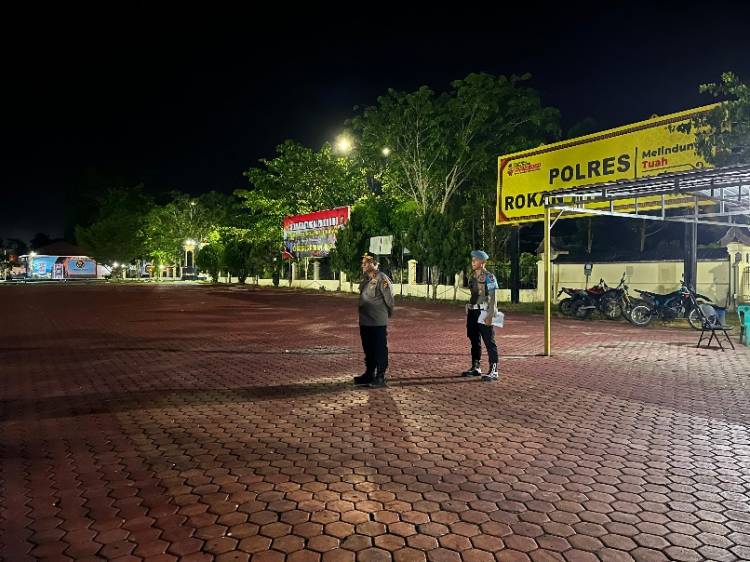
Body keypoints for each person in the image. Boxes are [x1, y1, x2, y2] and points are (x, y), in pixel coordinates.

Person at [353, 252, 395, 387]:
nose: (363, 265)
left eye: (366, 262)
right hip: (365, 322)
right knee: (368, 349)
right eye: (362, 263)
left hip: (377, 322)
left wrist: (386, 315)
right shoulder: (366, 280)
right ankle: (369, 374)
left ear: (374, 264)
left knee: (379, 349)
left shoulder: (382, 278)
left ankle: (380, 376)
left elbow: (389, 299)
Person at [461, 250, 500, 381]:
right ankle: (476, 367)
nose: (472, 262)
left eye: (475, 260)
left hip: (484, 311)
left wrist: (491, 313)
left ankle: (494, 371)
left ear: (482, 262)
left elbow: (493, 296)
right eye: (472, 260)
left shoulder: (489, 277)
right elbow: (474, 295)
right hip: (472, 312)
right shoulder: (472, 277)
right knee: (474, 340)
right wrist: (469, 305)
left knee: (489, 341)